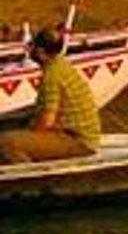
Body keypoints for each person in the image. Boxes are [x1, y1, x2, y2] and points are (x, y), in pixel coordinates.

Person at [0, 31, 100, 163]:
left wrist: (27, 136)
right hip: (75, 135)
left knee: (5, 142)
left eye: (32, 46)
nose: (29, 50)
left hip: (77, 141)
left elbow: (46, 122)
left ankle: (31, 176)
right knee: (12, 126)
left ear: (40, 52)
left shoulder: (52, 76)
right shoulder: (59, 63)